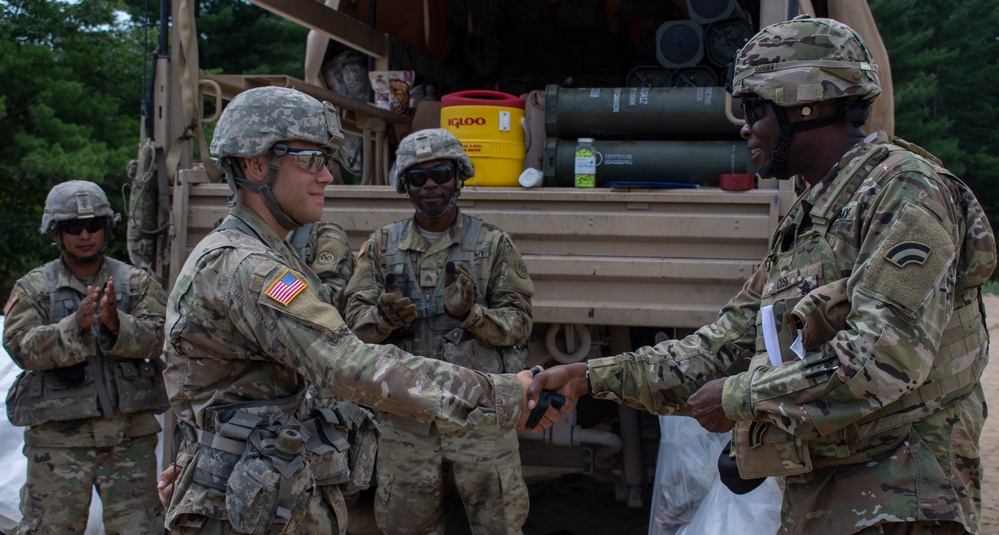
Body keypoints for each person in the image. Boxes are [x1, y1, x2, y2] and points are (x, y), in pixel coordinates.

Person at [527, 17, 996, 535]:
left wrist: (738, 398)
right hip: (834, 490)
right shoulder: (812, 216)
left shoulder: (907, 194)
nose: (745, 127)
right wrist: (587, 377)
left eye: (754, 109)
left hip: (905, 498)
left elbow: (883, 361)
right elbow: (719, 348)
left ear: (808, 106)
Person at [160, 86, 564, 535]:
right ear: (257, 164)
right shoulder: (249, 267)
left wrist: (201, 453)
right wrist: (504, 395)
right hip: (252, 502)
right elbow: (349, 363)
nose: (327, 177)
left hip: (261, 490)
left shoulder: (265, 255)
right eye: (312, 160)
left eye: (327, 162)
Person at [343, 128, 535, 534]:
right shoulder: (381, 246)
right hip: (406, 415)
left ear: (459, 177)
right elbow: (352, 327)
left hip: (480, 411)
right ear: (404, 185)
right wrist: (384, 316)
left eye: (441, 174)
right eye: (418, 177)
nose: (430, 185)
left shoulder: (492, 244)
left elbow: (519, 324)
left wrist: (472, 315)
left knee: (499, 526)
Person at [3, 180, 169, 534]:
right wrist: (71, 328)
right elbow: (18, 344)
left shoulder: (136, 283)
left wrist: (116, 324)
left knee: (141, 528)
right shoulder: (34, 288)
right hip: (58, 442)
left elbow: (162, 336)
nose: (84, 234)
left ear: (106, 229)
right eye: (72, 227)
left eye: (93, 225)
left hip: (128, 438)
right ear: (55, 233)